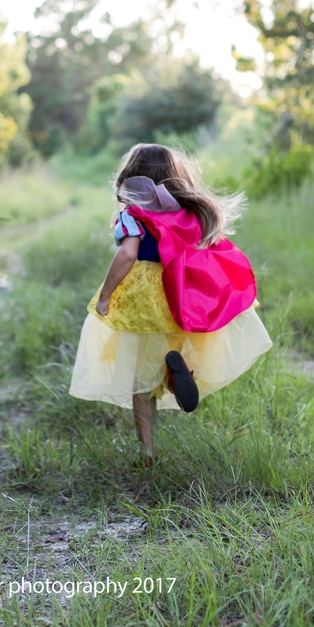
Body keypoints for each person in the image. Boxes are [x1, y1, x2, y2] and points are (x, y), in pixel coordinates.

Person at [68, 143, 272, 462]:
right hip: (183, 294)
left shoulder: (133, 215)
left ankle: (147, 451)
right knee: (174, 350)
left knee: (141, 379)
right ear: (177, 177)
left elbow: (127, 254)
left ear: (132, 177)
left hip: (144, 299)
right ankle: (179, 376)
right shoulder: (191, 214)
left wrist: (106, 295)